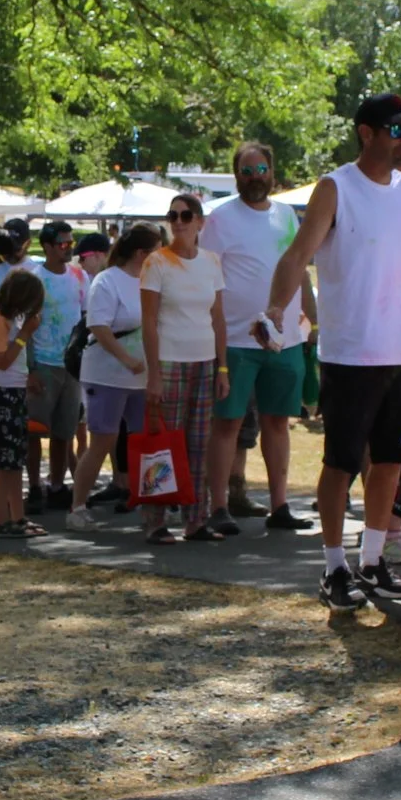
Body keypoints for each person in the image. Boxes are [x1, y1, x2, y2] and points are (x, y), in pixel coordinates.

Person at [267, 93, 401, 610]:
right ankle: (332, 567)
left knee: (390, 462)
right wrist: (275, 310)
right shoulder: (336, 186)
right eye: (398, 129)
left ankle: (371, 561)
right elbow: (298, 255)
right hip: (350, 353)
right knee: (341, 463)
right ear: (366, 133)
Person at [202, 141, 314, 533]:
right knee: (227, 424)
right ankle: (218, 506)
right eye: (247, 172)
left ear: (272, 171)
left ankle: (279, 506)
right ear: (236, 176)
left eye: (261, 169)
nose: (255, 178)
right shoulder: (219, 219)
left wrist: (311, 326)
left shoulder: (287, 215)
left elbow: (300, 272)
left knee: (278, 423)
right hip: (234, 341)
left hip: (285, 342)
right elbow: (208, 280)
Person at [139, 192, 230, 543]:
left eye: (186, 215)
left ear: (200, 222)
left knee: (198, 443)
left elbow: (217, 317)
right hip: (169, 361)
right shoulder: (156, 262)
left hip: (204, 362)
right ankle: (155, 521)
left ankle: (196, 520)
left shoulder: (211, 261)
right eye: (173, 215)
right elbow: (148, 322)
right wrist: (155, 374)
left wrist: (223, 368)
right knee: (162, 442)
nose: (178, 221)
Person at [70, 224, 157, 529]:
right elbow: (98, 326)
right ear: (141, 253)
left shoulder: (151, 280)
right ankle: (77, 507)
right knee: (103, 440)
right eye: (156, 251)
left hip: (142, 377)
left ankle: (149, 502)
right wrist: (127, 359)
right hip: (107, 374)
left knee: (144, 440)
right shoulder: (107, 281)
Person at [24, 220, 89, 512]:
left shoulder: (78, 275)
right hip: (44, 363)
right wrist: (31, 368)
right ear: (47, 246)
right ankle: (35, 486)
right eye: (62, 243)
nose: (68, 248)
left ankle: (57, 485)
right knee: (35, 430)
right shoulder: (34, 279)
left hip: (71, 365)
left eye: (70, 243)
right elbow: (25, 326)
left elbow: (86, 315)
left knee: (65, 431)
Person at [0, 269, 48, 537]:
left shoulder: (11, 319)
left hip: (16, 391)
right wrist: (24, 333)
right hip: (3, 394)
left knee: (15, 461)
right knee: (5, 462)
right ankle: (0, 520)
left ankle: (18, 518)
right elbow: (3, 360)